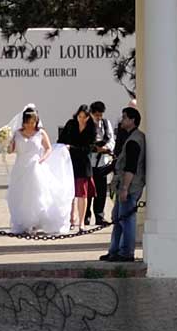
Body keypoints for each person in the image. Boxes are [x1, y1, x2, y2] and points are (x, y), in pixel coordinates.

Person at [6, 107, 73, 235]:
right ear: (24, 122)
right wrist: (7, 142)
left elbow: (48, 148)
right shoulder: (17, 133)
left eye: (34, 122)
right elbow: (11, 150)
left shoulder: (40, 133)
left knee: (37, 194)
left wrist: (42, 159)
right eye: (29, 122)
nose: (31, 125)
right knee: (21, 195)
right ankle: (23, 222)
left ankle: (35, 222)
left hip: (36, 166)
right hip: (20, 167)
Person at [100, 106, 145, 263]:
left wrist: (125, 188)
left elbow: (131, 167)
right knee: (118, 218)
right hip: (124, 186)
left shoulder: (134, 141)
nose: (122, 119)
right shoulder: (130, 137)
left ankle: (126, 253)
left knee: (126, 220)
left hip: (130, 187)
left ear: (132, 120)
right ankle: (114, 251)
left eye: (125, 117)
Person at [58, 104, 96, 231]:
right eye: (80, 116)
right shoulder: (71, 124)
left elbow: (89, 148)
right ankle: (70, 219)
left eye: (84, 117)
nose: (81, 119)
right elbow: (61, 140)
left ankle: (81, 222)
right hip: (69, 162)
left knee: (82, 194)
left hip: (83, 163)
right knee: (69, 193)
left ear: (88, 117)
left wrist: (72, 148)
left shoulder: (91, 128)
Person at [85, 101, 115, 226]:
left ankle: (99, 216)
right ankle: (86, 216)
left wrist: (105, 148)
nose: (98, 117)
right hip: (89, 162)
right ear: (91, 113)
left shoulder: (106, 124)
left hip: (102, 161)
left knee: (101, 191)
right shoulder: (86, 125)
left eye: (100, 115)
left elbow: (112, 140)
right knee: (87, 192)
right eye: (96, 115)